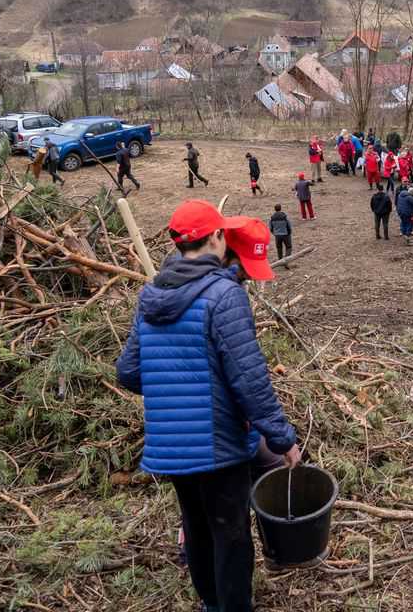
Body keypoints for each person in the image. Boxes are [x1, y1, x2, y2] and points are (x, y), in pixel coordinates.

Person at [116, 200, 301, 612]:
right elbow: (249, 379)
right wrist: (282, 437)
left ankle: (211, 604)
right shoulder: (223, 294)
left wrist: (175, 387)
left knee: (197, 528)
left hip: (171, 447)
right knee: (231, 536)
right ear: (217, 237)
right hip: (218, 444)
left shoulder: (152, 294)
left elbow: (128, 371)